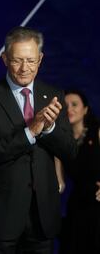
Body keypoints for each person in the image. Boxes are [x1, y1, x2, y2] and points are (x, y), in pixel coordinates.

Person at [0, 26, 77, 254]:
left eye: (31, 60)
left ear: (40, 59)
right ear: (5, 59)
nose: (25, 68)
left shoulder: (54, 95)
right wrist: (31, 131)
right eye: (17, 60)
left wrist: (49, 129)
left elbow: (70, 151)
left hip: (42, 219)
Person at [59, 89, 100, 254]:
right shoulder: (62, 142)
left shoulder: (97, 132)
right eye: (65, 106)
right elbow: (59, 183)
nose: (69, 109)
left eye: (74, 104)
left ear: (85, 109)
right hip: (77, 206)